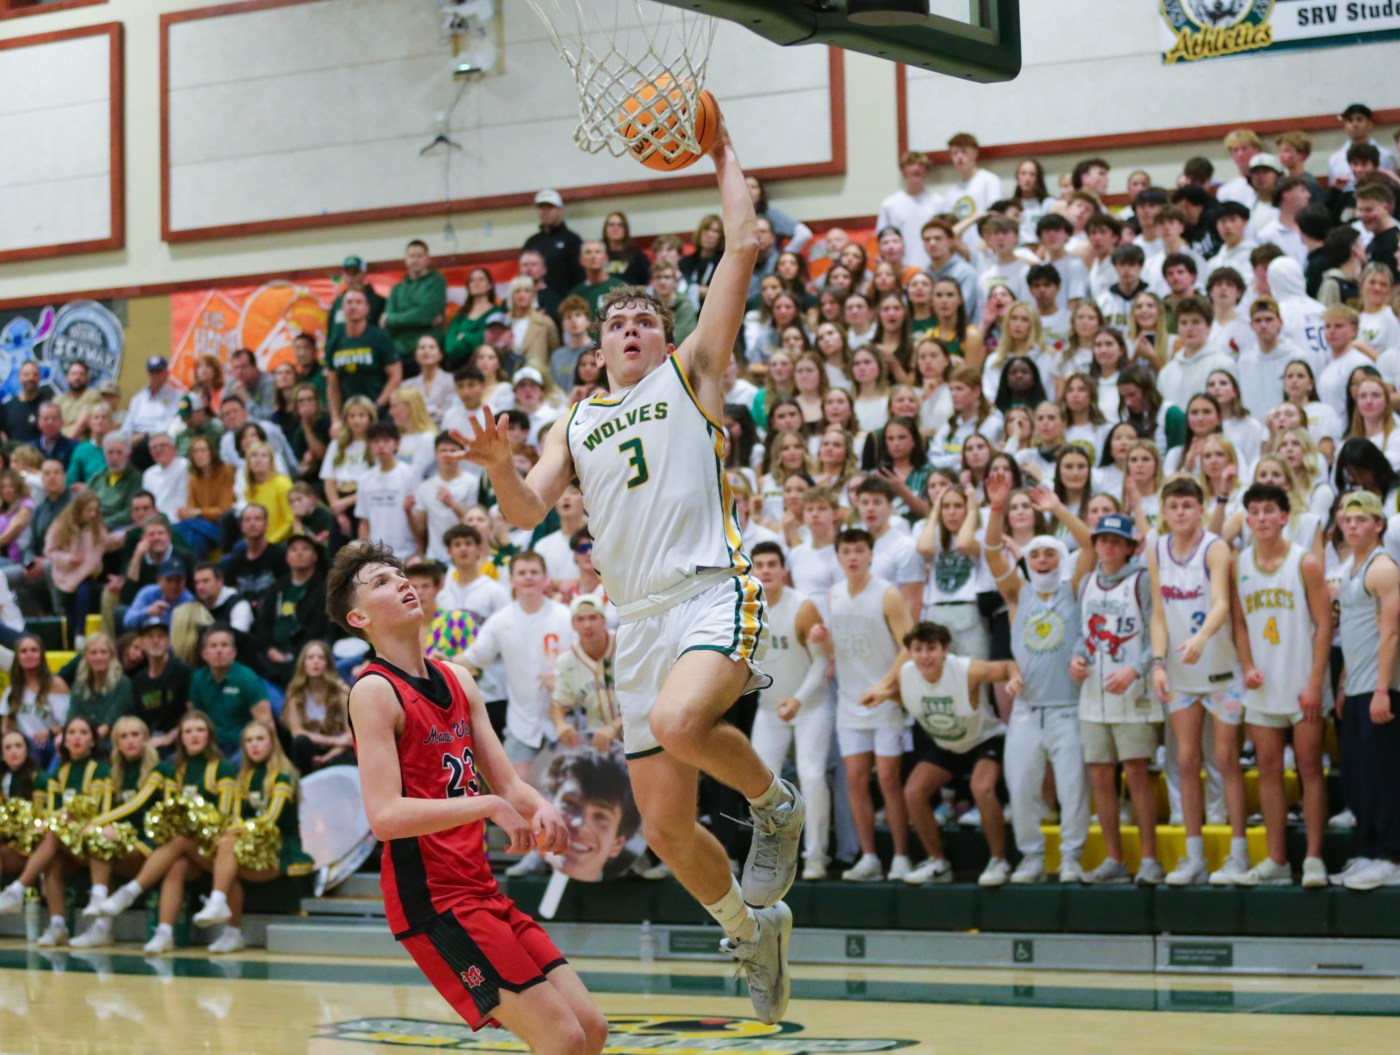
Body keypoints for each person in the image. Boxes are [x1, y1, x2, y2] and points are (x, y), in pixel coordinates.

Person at [456, 106, 799, 1026]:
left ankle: (776, 804)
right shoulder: (576, 420)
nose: (637, 328)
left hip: (712, 591)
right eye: (621, 323)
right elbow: (529, 511)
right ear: (597, 349)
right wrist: (497, 469)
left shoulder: (694, 372)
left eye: (649, 317)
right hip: (638, 619)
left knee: (683, 719)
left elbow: (739, 245)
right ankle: (750, 926)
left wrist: (724, 156)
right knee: (672, 826)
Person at [327, 541, 605, 1050]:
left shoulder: (457, 677)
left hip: (479, 888)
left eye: (401, 574)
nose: (403, 583)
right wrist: (490, 806)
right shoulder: (373, 691)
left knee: (590, 1029)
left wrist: (538, 806)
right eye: (382, 582)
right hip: (432, 900)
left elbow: (508, 783)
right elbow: (385, 816)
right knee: (561, 1037)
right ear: (358, 617)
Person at [981, 468, 1094, 884]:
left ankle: (1072, 859)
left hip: (1068, 710)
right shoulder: (1018, 594)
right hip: (1027, 711)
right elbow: (993, 552)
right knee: (1022, 788)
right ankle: (1030, 857)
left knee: (1072, 792)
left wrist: (1057, 509)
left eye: (1050, 554)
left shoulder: (1074, 588)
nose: (1043, 560)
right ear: (1027, 563)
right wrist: (996, 508)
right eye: (1036, 556)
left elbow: (1089, 545)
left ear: (1059, 561)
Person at [863, 621, 1019, 886]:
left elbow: (1005, 666)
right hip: (947, 745)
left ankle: (998, 860)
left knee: (981, 788)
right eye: (919, 649)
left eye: (932, 649)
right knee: (913, 792)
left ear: (945, 650)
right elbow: (910, 697)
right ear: (910, 653)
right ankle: (937, 862)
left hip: (984, 738)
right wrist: (884, 697)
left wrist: (1014, 677)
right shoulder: (906, 674)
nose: (925, 656)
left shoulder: (967, 669)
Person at [1147, 476, 1248, 887]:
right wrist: (1157, 662)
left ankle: (1238, 853)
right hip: (1181, 672)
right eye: (1173, 507)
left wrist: (1202, 638)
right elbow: (1158, 612)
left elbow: (1223, 602)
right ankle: (1193, 857)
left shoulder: (1215, 546)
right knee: (1186, 761)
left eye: (1188, 505)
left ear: (1200, 508)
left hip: (1222, 668)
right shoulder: (1156, 549)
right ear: (1164, 511)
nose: (1181, 513)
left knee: (1225, 761)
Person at [1070, 512, 1164, 885]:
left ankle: (1150, 859)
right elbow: (1083, 635)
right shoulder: (1086, 583)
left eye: (1115, 540)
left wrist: (1136, 670)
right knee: (1100, 776)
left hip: (1133, 692)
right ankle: (1114, 859)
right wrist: (1076, 658)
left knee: (1137, 775)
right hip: (1094, 693)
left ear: (1128, 547)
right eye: (1102, 539)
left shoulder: (1142, 581)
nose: (1108, 546)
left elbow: (1157, 634)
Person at [826, 527, 912, 883]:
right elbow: (843, 646)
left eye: (860, 550)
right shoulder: (833, 595)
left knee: (889, 780)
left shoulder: (888, 595)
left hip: (886, 700)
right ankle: (870, 856)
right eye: (847, 551)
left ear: (871, 555)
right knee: (856, 781)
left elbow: (910, 646)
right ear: (839, 557)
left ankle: (902, 857)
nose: (853, 557)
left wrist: (885, 685)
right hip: (849, 703)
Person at [189, 719, 314, 953]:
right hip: (248, 845)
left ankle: (220, 908)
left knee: (228, 848)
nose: (254, 745)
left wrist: (237, 830)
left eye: (260, 739)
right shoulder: (244, 776)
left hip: (279, 848)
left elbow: (271, 819)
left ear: (272, 743)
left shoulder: (282, 776)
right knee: (227, 853)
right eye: (249, 741)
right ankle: (231, 930)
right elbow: (235, 815)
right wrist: (232, 829)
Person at [746, 542, 832, 881]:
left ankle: (816, 856)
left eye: (772, 564)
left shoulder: (803, 607)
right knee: (760, 785)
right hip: (769, 709)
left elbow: (823, 660)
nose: (766, 570)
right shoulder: (747, 609)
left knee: (811, 777)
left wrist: (797, 699)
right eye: (760, 565)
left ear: (784, 571)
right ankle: (771, 861)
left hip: (811, 705)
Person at [1330, 491, 1400, 889]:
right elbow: (1352, 634)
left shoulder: (1383, 568)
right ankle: (1372, 850)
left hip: (1381, 687)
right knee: (1359, 775)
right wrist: (1343, 684)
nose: (1353, 525)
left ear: (1378, 525)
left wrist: (1382, 690)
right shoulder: (1349, 568)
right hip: (1356, 685)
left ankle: (1392, 856)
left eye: (1362, 520)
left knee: (1386, 774)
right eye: (1348, 519)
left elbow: (1391, 633)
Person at [460, 551, 573, 790]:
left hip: (565, 722)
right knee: (513, 789)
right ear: (511, 579)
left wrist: (562, 678)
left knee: (567, 792)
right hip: (521, 724)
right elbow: (473, 658)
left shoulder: (565, 616)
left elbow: (584, 663)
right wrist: (440, 662)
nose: (528, 577)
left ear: (545, 578)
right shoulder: (500, 620)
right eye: (522, 573)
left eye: (534, 572)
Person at [0, 715, 109, 941]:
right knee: (52, 858)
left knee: (52, 838)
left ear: (92, 740)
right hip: (63, 841)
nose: (76, 738)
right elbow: (55, 812)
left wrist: (84, 826)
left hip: (93, 837)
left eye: (83, 732)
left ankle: (17, 890)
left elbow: (103, 810)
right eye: (71, 733)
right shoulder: (61, 772)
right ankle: (57, 925)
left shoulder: (99, 769)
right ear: (64, 741)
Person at [549, 594, 622, 755]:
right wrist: (561, 725)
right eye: (580, 619)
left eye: (593, 617)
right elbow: (557, 705)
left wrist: (614, 726)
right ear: (573, 624)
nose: (587, 625)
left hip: (636, 736)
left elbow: (644, 698)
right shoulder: (567, 661)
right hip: (596, 745)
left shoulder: (625, 646)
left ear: (604, 620)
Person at [252, 534, 329, 686]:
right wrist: (269, 649)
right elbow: (263, 623)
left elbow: (318, 628)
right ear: (287, 557)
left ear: (315, 557)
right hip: (272, 654)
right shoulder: (276, 587)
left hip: (303, 655)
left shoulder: (323, 590)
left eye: (305, 549)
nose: (299, 553)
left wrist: (293, 655)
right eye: (293, 549)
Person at [326, 289, 403, 429]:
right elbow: (332, 385)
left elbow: (396, 376)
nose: (353, 306)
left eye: (358, 302)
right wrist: (335, 419)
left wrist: (377, 405)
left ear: (367, 308)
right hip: (349, 415)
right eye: (349, 302)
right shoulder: (334, 341)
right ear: (343, 308)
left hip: (379, 413)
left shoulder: (380, 338)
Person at [282, 640, 354, 773]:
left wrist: (327, 757)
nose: (315, 662)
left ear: (328, 664)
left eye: (321, 658)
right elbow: (297, 732)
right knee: (300, 743)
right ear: (303, 664)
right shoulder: (295, 693)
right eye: (310, 657)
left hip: (339, 751)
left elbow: (350, 737)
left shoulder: (342, 692)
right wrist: (334, 741)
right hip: (315, 747)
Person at [354, 422, 419, 562]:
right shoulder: (365, 479)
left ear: (396, 443)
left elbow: (418, 515)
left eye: (386, 441)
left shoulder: (408, 474)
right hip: (376, 555)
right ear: (370, 446)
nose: (381, 446)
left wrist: (419, 550)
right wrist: (364, 553)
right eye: (376, 441)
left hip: (406, 552)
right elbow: (364, 521)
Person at [128, 617, 191, 751]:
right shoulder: (138, 680)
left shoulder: (183, 672)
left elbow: (193, 714)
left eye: (161, 636)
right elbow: (138, 720)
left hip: (179, 743)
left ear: (168, 642)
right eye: (150, 636)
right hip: (148, 743)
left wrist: (168, 738)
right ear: (142, 643)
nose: (155, 641)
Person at [383, 239, 447, 364]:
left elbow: (426, 315)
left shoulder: (437, 282)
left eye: (419, 256)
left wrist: (394, 319)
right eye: (412, 256)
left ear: (428, 259)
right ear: (405, 260)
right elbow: (387, 323)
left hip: (428, 353)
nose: (415, 260)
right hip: (399, 354)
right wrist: (415, 318)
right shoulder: (397, 289)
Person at [523, 188, 586, 301]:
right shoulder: (531, 242)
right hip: (535, 303)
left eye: (550, 207)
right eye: (542, 207)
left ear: (560, 210)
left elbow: (580, 277)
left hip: (565, 303)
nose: (545, 211)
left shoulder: (572, 240)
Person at [124, 357, 184, 449]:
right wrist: (132, 438)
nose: (155, 376)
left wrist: (149, 435)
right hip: (137, 444)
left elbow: (175, 424)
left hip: (163, 442)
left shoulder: (177, 396)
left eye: (158, 372)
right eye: (152, 372)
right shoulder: (138, 399)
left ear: (166, 374)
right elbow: (127, 426)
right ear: (147, 375)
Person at [0, 360, 55, 443]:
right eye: (26, 375)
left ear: (40, 378)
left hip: (42, 455)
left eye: (35, 375)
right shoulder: (7, 407)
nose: (31, 378)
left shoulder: (49, 405)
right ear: (19, 378)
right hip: (14, 454)